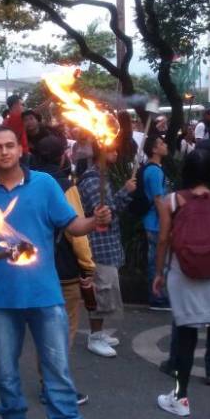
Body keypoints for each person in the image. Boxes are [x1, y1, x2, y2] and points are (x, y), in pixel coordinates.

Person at [0, 126, 110, 419]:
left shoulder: (44, 185)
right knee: (5, 371)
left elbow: (72, 226)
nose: (4, 152)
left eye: (10, 146)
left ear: (21, 150)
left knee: (56, 370)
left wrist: (93, 220)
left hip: (46, 295)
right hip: (1, 299)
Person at [152, 149, 210, 419]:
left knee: (185, 337)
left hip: (182, 276)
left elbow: (162, 241)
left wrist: (159, 272)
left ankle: (180, 398)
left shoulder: (171, 201)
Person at [32, 135, 95, 404]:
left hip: (34, 267)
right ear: (62, 156)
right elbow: (76, 232)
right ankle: (55, 387)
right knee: (63, 330)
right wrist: (88, 266)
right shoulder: (66, 187)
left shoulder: (28, 183)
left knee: (42, 329)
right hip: (64, 268)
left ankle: (47, 381)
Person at [78, 146, 136, 358]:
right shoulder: (94, 180)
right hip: (98, 244)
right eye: (111, 149)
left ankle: (99, 333)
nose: (117, 152)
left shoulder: (101, 175)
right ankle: (94, 337)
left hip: (107, 243)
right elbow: (105, 214)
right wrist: (126, 191)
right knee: (100, 291)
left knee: (105, 289)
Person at [142, 135, 170, 310]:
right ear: (154, 150)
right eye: (161, 143)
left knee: (157, 259)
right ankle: (157, 297)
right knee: (157, 260)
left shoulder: (155, 169)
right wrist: (167, 221)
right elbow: (158, 200)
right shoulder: (154, 171)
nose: (165, 145)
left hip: (155, 221)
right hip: (155, 223)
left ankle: (157, 294)